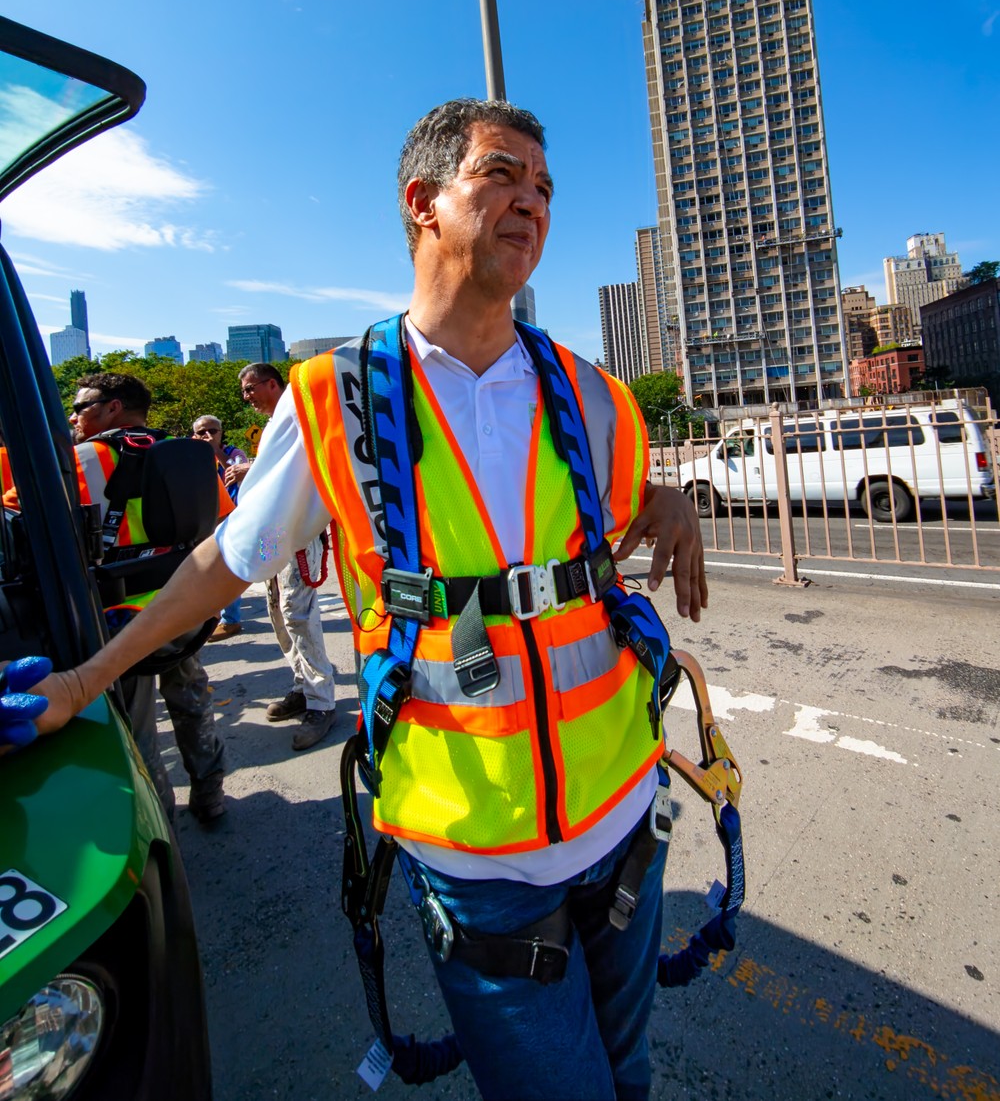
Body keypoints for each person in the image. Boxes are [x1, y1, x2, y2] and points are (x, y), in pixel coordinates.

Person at [28, 101, 707, 1100]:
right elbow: (227, 560)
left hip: (623, 824)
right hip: (475, 859)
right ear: (422, 202)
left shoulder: (591, 392)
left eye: (544, 186)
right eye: (501, 175)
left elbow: (601, 520)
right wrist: (88, 678)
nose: (532, 200)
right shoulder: (332, 400)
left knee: (629, 1076)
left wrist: (667, 495)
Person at [68, 373, 229, 824]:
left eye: (80, 408)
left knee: (136, 724)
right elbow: (222, 522)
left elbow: (19, 517)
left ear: (113, 407)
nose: (74, 417)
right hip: (185, 604)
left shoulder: (78, 461)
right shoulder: (186, 455)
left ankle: (159, 822)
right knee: (191, 697)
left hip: (120, 618)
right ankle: (210, 793)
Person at [223, 363, 336, 751]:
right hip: (272, 532)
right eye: (244, 391)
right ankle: (302, 685)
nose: (247, 397)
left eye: (251, 388)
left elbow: (305, 465)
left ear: (273, 384)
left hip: (298, 531)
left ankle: (321, 700)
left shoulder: (298, 412)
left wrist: (251, 468)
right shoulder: (273, 424)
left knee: (297, 610)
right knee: (277, 608)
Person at [193, 414, 249, 640]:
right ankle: (210, 618)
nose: (207, 435)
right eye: (201, 432)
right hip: (203, 519)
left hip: (229, 517)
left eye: (213, 431)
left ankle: (231, 620)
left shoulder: (234, 454)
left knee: (228, 568)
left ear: (221, 433)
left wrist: (215, 451)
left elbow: (234, 473)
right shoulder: (190, 454)